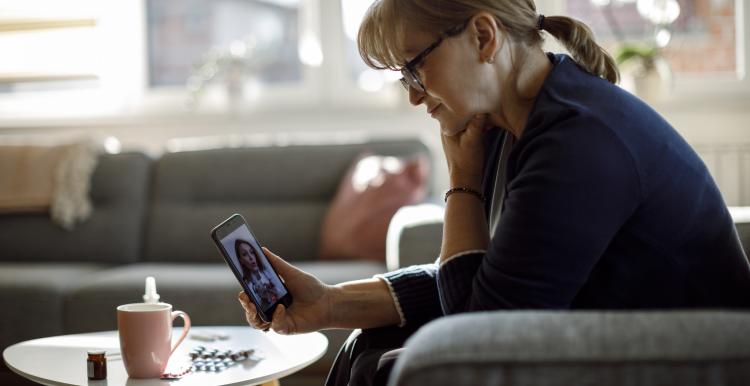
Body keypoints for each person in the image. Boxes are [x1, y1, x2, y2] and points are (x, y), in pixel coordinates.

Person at [238, 1, 750, 385]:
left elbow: (477, 339)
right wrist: (329, 304)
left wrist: (462, 180)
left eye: (415, 68)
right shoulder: (513, 125)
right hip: (595, 337)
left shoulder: (577, 140)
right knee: (366, 347)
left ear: (483, 36)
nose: (413, 95)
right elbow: (491, 281)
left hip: (676, 359)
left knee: (382, 367)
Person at [235, 239, 278, 310]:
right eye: (245, 254)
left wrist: (274, 291)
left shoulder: (268, 271)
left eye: (252, 252)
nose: (251, 257)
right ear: (241, 260)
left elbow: (279, 291)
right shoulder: (247, 284)